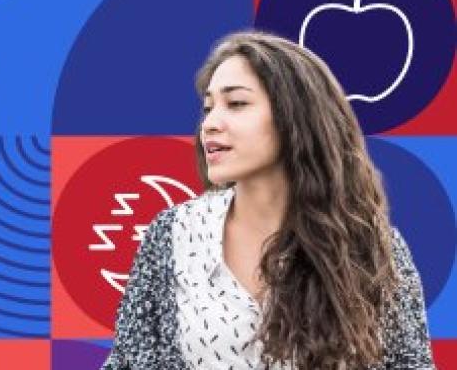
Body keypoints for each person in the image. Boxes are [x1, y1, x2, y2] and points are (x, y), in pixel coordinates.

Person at [102, 31, 434, 369]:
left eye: (237, 104)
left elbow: (411, 363)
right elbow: (127, 361)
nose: (210, 124)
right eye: (208, 107)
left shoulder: (372, 245)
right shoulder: (174, 234)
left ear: (296, 117)